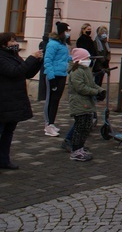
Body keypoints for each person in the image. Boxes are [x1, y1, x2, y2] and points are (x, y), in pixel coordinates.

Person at [0, 32, 43, 169]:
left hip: (13, 101)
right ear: (3, 44)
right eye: (11, 41)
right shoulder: (1, 57)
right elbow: (14, 72)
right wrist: (31, 57)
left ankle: (4, 160)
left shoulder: (13, 56)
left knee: (8, 132)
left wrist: (37, 62)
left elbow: (27, 73)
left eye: (15, 40)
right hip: (3, 101)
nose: (15, 43)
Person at [67, 48, 106, 161]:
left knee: (87, 126)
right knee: (80, 127)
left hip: (87, 103)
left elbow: (92, 84)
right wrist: (96, 92)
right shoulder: (76, 72)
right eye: (86, 58)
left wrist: (101, 90)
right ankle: (76, 150)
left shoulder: (86, 70)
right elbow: (81, 88)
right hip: (79, 103)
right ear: (79, 60)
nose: (89, 60)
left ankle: (80, 147)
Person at [43, 21, 72, 137]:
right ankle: (47, 125)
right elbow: (48, 61)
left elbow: (63, 58)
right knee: (50, 100)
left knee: (56, 100)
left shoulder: (62, 44)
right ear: (61, 32)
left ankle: (52, 123)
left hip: (62, 74)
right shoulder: (52, 44)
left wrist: (75, 58)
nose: (68, 34)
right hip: (53, 75)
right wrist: (51, 78)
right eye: (66, 31)